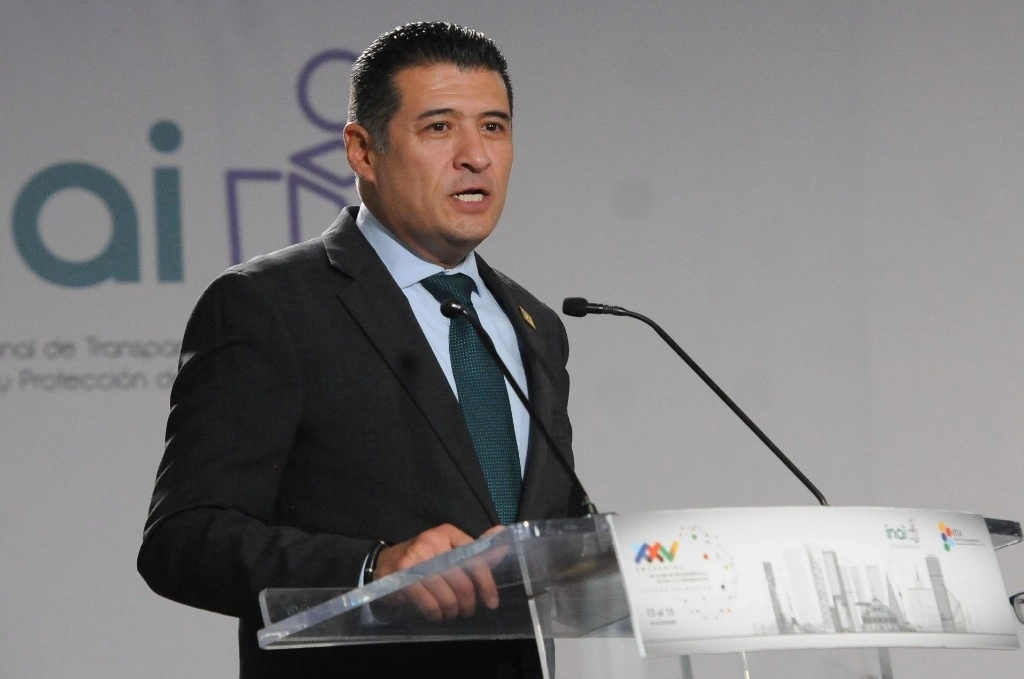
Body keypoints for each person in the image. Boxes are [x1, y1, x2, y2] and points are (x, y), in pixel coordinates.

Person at [138, 21, 584, 679]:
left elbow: (555, 528)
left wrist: (601, 557)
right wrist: (374, 568)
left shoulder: (536, 325)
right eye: (439, 127)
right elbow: (185, 540)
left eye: (493, 127)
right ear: (362, 151)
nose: (475, 156)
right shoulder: (272, 305)